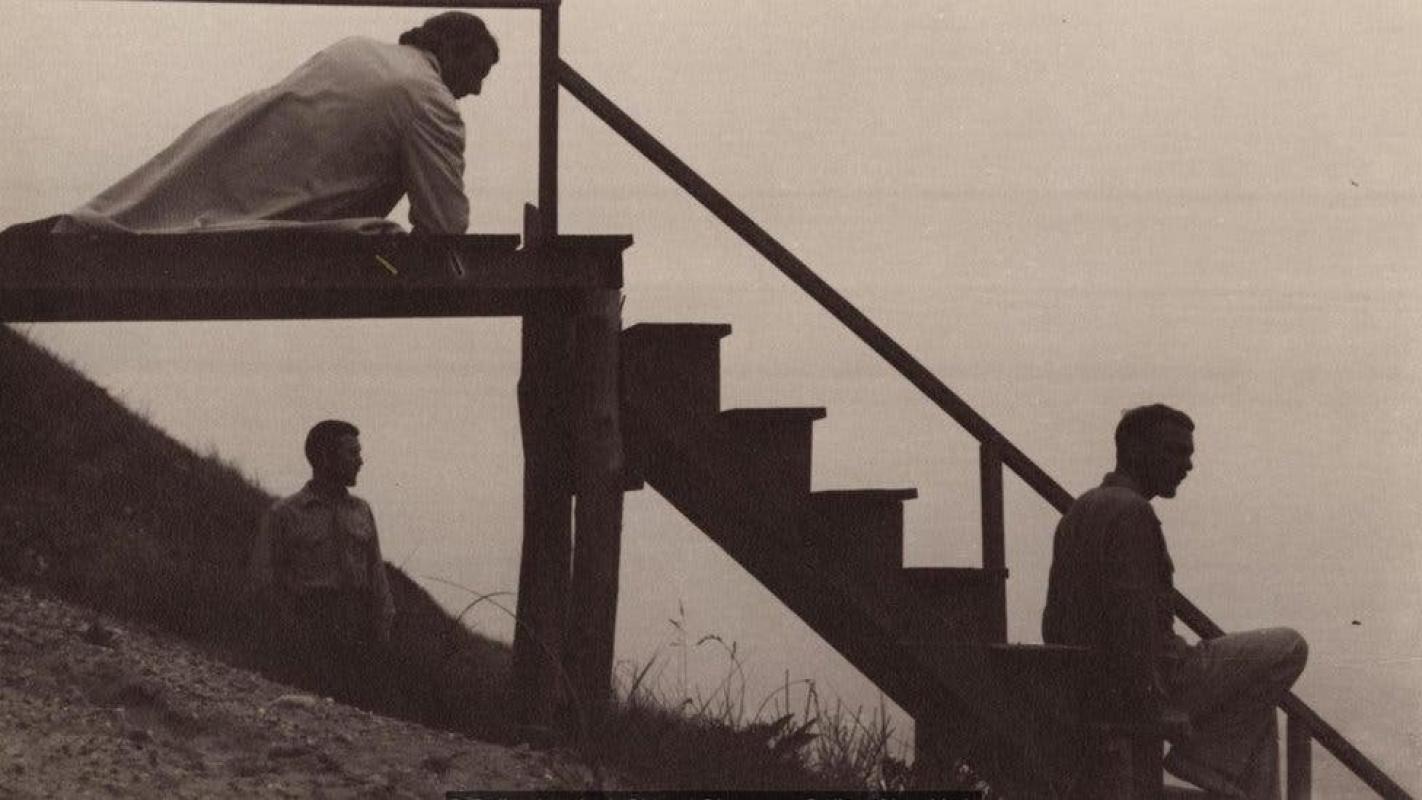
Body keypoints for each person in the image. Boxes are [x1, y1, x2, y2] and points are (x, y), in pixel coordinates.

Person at [1042, 404, 1308, 800]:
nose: (1188, 465)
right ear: (1135, 449)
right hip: (1155, 680)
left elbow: (1055, 619)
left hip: (1090, 684)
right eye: (1176, 451)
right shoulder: (1132, 511)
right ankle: (1201, 762)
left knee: (1257, 705)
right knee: (1289, 646)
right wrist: (1151, 706)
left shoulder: (1080, 509)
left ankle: (1219, 770)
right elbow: (1132, 622)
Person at [46, 12, 499, 235]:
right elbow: (445, 224)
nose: (477, 90)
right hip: (269, 203)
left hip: (231, 148)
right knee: (164, 228)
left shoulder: (358, 48)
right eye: (477, 72)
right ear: (449, 50)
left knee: (145, 204)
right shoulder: (429, 98)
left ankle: (79, 223)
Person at [249, 419, 397, 703]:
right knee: (310, 714)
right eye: (352, 453)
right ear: (325, 457)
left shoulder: (362, 510)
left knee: (355, 717)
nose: (360, 461)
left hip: (358, 634)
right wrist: (289, 635)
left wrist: (381, 632)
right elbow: (263, 583)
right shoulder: (285, 514)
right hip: (308, 635)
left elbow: (378, 579)